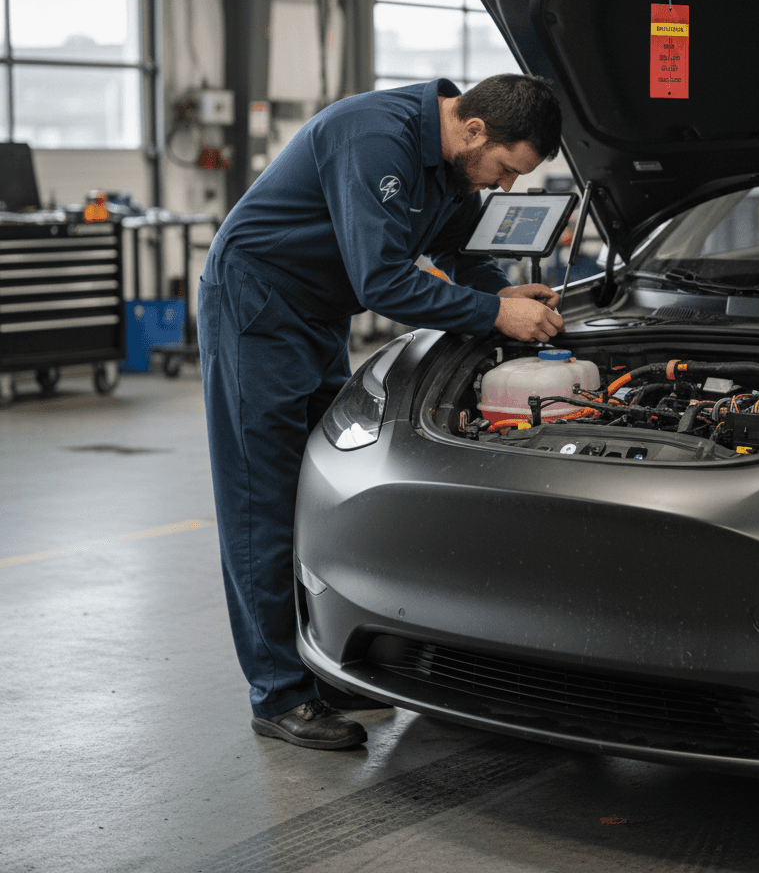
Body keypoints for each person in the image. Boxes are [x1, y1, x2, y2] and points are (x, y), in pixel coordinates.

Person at [198, 74, 564, 750]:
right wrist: (495, 315)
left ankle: (318, 667)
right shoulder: (374, 138)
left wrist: (511, 296)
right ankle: (278, 696)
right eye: (506, 171)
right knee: (262, 506)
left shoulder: (455, 159)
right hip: (256, 308)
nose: (502, 188)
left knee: (317, 496)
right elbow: (383, 279)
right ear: (476, 129)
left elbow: (459, 252)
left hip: (315, 314)